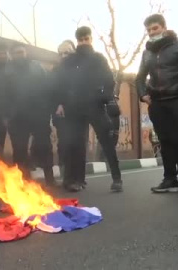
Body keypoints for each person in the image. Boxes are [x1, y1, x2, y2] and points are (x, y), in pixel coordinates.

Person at [135, 14, 178, 193]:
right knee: (164, 141)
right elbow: (140, 77)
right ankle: (169, 178)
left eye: (155, 28)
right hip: (157, 102)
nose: (151, 33)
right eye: (148, 30)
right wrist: (143, 95)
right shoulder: (147, 52)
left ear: (164, 27)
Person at [54, 26, 122, 192]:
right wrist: (62, 102)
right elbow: (61, 83)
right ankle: (76, 180)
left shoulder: (99, 58)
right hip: (75, 108)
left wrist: (105, 97)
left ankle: (117, 179)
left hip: (96, 106)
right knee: (75, 144)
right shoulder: (70, 60)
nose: (84, 42)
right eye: (81, 40)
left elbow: (109, 80)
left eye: (86, 39)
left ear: (91, 39)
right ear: (77, 41)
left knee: (106, 142)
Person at [0, 43, 56, 186]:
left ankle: (50, 178)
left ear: (26, 53)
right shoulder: (7, 72)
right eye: (17, 53)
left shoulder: (37, 67)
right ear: (12, 55)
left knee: (44, 146)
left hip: (38, 115)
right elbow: (3, 95)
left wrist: (46, 109)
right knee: (19, 150)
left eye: (22, 52)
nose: (20, 55)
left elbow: (47, 88)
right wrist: (6, 115)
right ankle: (24, 181)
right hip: (17, 118)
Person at [52, 40, 76, 181]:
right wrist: (59, 104)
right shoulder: (55, 71)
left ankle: (78, 177)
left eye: (67, 52)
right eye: (61, 53)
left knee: (78, 144)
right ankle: (66, 175)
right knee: (64, 143)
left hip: (79, 112)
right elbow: (52, 91)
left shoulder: (80, 69)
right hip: (62, 114)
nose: (64, 56)